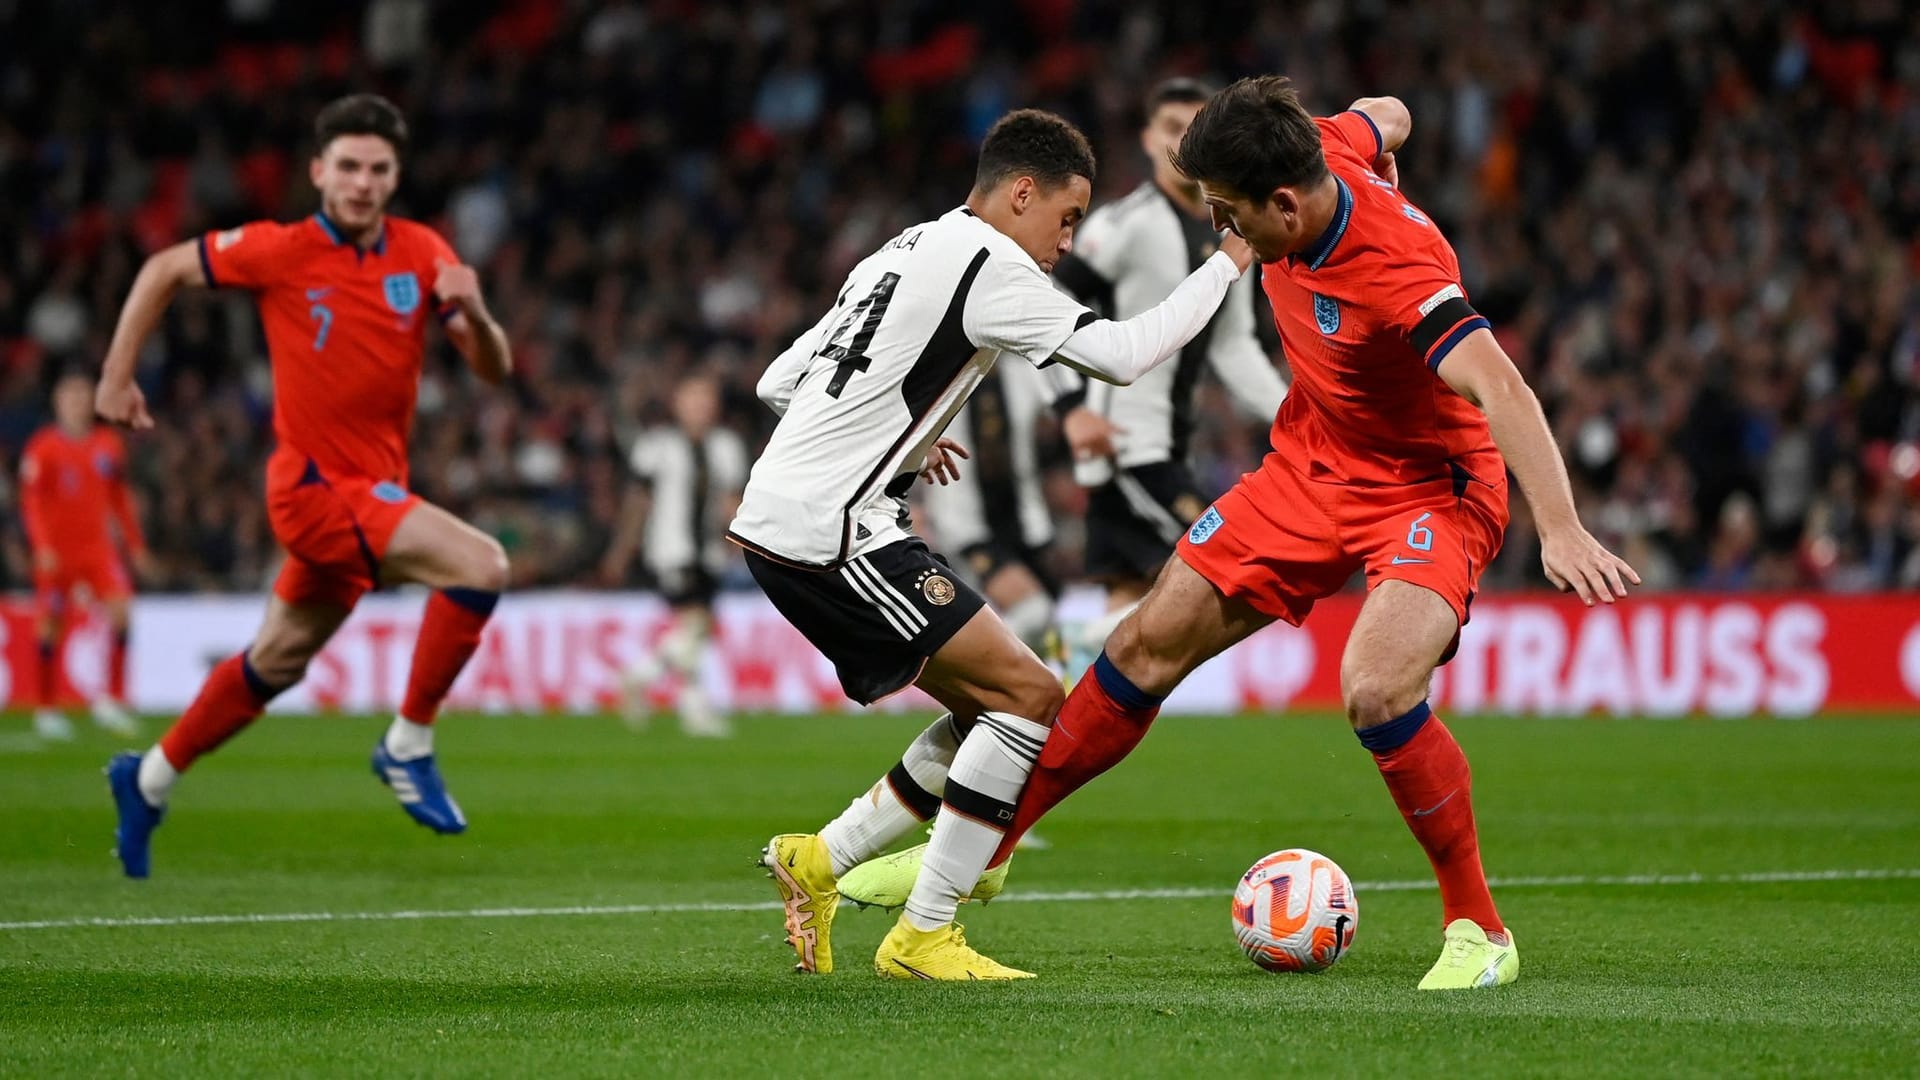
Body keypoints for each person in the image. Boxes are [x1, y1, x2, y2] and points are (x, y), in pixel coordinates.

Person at [844, 78, 1640, 990]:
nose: (1222, 233)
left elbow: (1501, 387)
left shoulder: (1399, 270)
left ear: (1286, 204)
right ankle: (988, 853)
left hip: (1428, 490)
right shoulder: (1325, 149)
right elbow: (1393, 108)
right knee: (1143, 643)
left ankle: (1478, 928)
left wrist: (1564, 527)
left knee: (1377, 689)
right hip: (1309, 465)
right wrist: (1384, 143)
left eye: (1229, 215)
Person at [730, 108, 1254, 980]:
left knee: (991, 707)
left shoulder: (902, 248)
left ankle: (820, 861)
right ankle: (924, 934)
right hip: (833, 535)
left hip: (786, 522)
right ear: (1021, 194)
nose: (1066, 239)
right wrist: (1230, 260)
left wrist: (898, 433)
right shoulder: (994, 265)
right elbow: (1125, 356)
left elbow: (779, 379)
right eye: (1066, 217)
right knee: (1032, 697)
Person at [96, 93, 513, 879]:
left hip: (369, 499)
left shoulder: (423, 251)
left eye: (378, 168)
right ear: (319, 171)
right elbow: (163, 268)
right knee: (482, 564)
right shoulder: (279, 250)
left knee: (276, 661)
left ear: (396, 176)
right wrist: (117, 376)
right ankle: (407, 743)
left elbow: (491, 368)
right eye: (347, 166)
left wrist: (478, 312)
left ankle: (147, 778)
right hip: (316, 492)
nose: (361, 182)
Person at [1050, 78, 1288, 664]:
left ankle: (1062, 688)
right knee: (1221, 561)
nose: (1184, 143)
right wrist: (1071, 409)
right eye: (1172, 129)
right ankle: (1062, 656)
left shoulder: (1232, 231)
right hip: (1126, 447)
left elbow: (1233, 348)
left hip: (1170, 447)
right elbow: (1043, 298)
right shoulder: (1125, 224)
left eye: (1195, 128)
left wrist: (1296, 409)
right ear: (1149, 141)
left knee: (1135, 602)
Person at [601, 373, 747, 737]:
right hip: (670, 549)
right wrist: (622, 549)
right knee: (695, 623)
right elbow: (638, 501)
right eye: (692, 399)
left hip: (710, 551)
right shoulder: (657, 445)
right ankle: (642, 679)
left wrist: (740, 539)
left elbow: (732, 499)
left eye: (706, 400)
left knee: (695, 630)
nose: (700, 407)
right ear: (677, 404)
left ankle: (688, 706)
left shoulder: (726, 446)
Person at [18, 371, 148, 741]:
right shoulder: (43, 448)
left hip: (98, 551)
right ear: (58, 403)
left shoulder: (108, 445)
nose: (76, 404)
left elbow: (120, 500)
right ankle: (46, 707)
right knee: (50, 625)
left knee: (123, 613)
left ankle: (112, 700)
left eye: (82, 397)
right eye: (69, 397)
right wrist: (41, 546)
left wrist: (134, 544)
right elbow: (31, 503)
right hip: (57, 553)